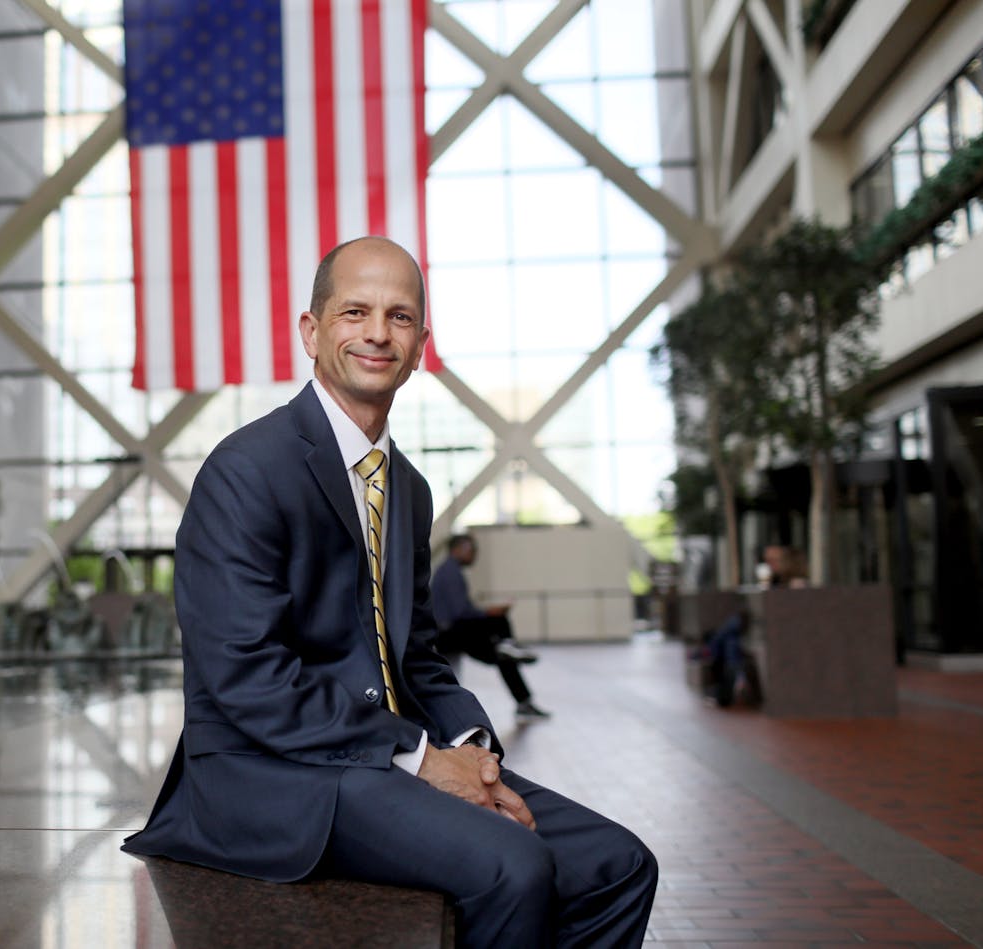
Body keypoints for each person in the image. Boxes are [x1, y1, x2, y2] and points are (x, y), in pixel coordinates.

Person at [122, 237, 657, 947]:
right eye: (355, 311)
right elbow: (249, 679)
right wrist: (425, 759)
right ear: (312, 332)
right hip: (272, 776)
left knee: (619, 864)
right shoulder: (245, 471)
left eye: (400, 317)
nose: (378, 332)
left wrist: (473, 754)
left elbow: (419, 657)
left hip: (381, 757)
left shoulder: (406, 487)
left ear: (420, 345)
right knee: (516, 865)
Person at [432, 533, 550, 720]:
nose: (475, 555)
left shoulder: (450, 570)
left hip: (455, 631)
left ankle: (522, 698)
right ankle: (507, 645)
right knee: (498, 621)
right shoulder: (450, 573)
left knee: (503, 657)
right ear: (457, 550)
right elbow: (460, 612)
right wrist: (488, 612)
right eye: (472, 550)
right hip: (451, 634)